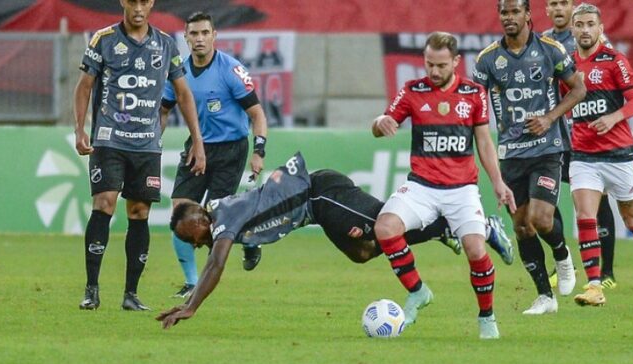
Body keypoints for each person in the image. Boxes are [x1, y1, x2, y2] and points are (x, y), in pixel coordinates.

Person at [156, 152, 483, 328]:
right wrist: (252, 250)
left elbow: (217, 262)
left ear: (200, 218)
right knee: (363, 252)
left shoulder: (222, 218)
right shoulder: (223, 211)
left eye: (193, 237)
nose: (198, 244)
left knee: (385, 227)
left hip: (322, 195)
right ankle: (443, 229)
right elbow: (252, 222)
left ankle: (455, 225)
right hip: (317, 211)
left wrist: (191, 306)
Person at [371, 32, 516, 340]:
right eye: (428, 64)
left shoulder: (474, 93)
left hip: (462, 189)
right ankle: (418, 291)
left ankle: (487, 317)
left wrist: (498, 183)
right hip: (421, 186)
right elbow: (381, 125)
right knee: (385, 229)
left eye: (440, 65)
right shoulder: (412, 90)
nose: (434, 72)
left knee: (475, 251)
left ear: (455, 62)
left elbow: (484, 142)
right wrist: (379, 122)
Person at [74, 0, 206, 311]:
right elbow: (84, 86)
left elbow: (184, 93)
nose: (138, 7)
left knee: (139, 213)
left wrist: (197, 141)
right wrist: (80, 129)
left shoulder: (165, 44)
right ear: (123, 2)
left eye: (144, 1)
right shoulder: (103, 40)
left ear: (152, 4)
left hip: (146, 144)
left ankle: (130, 294)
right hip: (109, 139)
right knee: (104, 203)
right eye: (133, 1)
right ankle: (92, 289)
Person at [473, 0, 586, 315]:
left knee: (540, 218)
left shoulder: (550, 50)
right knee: (522, 226)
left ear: (527, 15)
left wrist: (550, 118)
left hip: (547, 148)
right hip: (510, 153)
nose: (509, 18)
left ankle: (563, 256)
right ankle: (544, 297)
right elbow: (472, 102)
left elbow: (578, 89)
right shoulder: (488, 60)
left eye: (514, 12)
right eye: (504, 13)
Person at [160, 11, 268, 299]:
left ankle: (249, 237)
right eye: (193, 34)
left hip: (231, 150)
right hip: (196, 148)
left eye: (204, 33)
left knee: (219, 217)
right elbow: (163, 110)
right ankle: (192, 282)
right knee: (180, 213)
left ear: (214, 36)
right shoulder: (178, 72)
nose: (199, 39)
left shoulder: (231, 71)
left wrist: (259, 151)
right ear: (185, 37)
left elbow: (257, 114)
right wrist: (150, 143)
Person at [568, 3, 633, 306]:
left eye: (590, 24)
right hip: (583, 154)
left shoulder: (614, 61)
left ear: (600, 29)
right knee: (586, 216)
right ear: (572, 29)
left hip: (618, 153)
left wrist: (614, 118)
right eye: (580, 24)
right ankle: (594, 287)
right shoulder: (567, 66)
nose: (585, 30)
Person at [544, 0, 618, 290]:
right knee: (545, 197)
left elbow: (606, 78)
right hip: (556, 135)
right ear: (546, 10)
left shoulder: (591, 39)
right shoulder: (542, 43)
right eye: (554, 4)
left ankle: (607, 270)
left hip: (586, 134)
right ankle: (564, 264)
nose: (559, 9)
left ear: (571, 8)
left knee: (598, 202)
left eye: (564, 3)